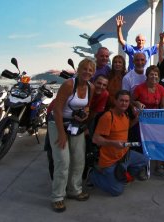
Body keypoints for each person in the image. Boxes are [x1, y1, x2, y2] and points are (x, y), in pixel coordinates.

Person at [47, 58, 95, 212]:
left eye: (90, 70)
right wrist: (61, 134)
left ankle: (74, 190)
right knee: (63, 161)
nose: (87, 72)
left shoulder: (91, 87)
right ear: (79, 70)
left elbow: (87, 106)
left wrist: (84, 115)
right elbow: (57, 110)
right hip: (58, 123)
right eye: (84, 69)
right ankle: (58, 196)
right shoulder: (69, 85)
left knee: (79, 159)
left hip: (75, 125)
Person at [89, 90, 149, 196]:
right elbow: (96, 139)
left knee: (144, 160)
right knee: (117, 191)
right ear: (115, 101)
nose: (124, 103)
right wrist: (113, 143)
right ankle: (94, 176)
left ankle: (121, 174)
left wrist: (137, 119)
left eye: (126, 101)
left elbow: (126, 127)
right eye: (121, 100)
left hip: (124, 155)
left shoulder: (125, 115)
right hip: (110, 160)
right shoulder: (108, 117)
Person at [133, 66, 164, 177]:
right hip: (141, 120)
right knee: (142, 143)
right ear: (147, 76)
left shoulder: (161, 88)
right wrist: (137, 103)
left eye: (156, 74)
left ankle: (159, 167)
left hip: (155, 121)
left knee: (157, 143)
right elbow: (131, 101)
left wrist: (162, 122)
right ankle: (141, 167)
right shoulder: (139, 88)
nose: (154, 76)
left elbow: (162, 106)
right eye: (151, 74)